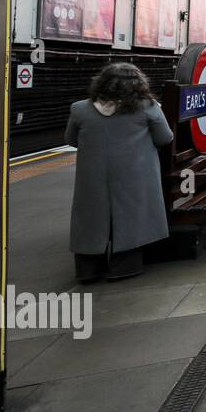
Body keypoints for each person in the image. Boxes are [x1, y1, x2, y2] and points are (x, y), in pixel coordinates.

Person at [66, 63, 174, 283]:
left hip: (92, 177)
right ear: (138, 84)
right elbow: (165, 137)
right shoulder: (147, 107)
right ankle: (123, 266)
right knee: (130, 218)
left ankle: (88, 269)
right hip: (135, 175)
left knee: (90, 218)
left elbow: (70, 140)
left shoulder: (80, 109)